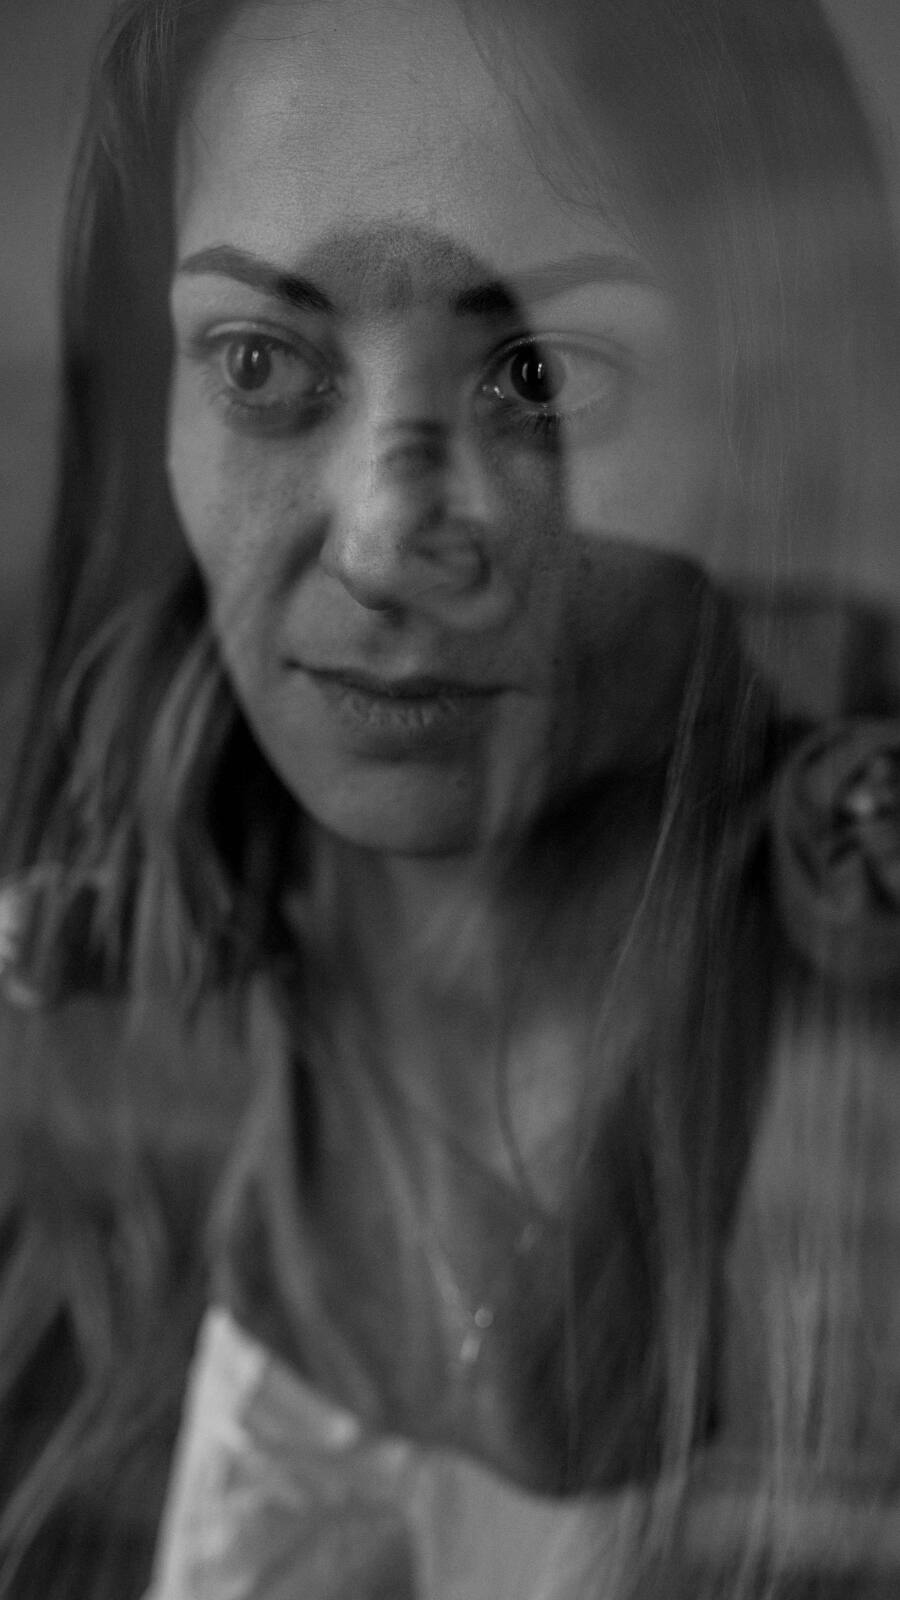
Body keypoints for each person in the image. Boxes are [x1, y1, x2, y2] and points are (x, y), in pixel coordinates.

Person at [1, 0, 900, 1595]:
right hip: (281, 1330)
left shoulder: (803, 813)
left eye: (546, 375)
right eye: (260, 362)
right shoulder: (184, 773)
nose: (381, 544)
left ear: (770, 410)